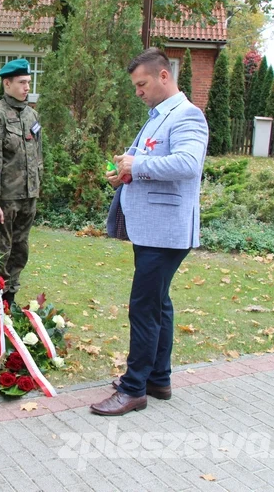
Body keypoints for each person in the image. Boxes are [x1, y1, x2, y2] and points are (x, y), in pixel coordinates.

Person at [91, 48, 208, 416]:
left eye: (141, 84)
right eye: (135, 86)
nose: (137, 92)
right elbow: (142, 162)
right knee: (159, 303)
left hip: (167, 232)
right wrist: (122, 171)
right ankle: (158, 378)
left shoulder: (187, 115)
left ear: (162, 76)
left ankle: (134, 389)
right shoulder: (157, 117)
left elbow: (188, 164)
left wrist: (136, 164)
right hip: (154, 229)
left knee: (144, 307)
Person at [0, 58, 44, 308]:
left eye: (28, 82)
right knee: (1, 251)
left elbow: (38, 153)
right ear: (7, 84)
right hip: (5, 199)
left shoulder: (32, 115)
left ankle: (11, 298)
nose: (27, 87)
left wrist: (37, 187)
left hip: (28, 196)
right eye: (21, 82)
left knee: (20, 250)